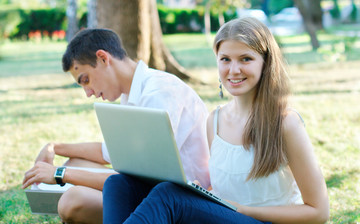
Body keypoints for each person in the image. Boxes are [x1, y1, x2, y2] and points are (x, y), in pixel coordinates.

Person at [102, 17, 330, 224]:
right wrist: (204, 192)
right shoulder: (215, 120)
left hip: (263, 221)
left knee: (168, 195)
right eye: (225, 59)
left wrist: (246, 211)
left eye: (246, 59)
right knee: (118, 184)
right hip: (228, 217)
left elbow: (318, 212)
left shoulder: (285, 124)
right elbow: (228, 187)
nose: (234, 69)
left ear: (265, 63)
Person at [22, 28, 210, 224]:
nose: (88, 92)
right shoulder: (133, 94)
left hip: (179, 203)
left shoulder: (159, 93)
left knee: (72, 200)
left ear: (103, 58)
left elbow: (141, 180)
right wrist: (55, 148)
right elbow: (109, 152)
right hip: (152, 190)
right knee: (74, 162)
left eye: (86, 80)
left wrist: (60, 174)